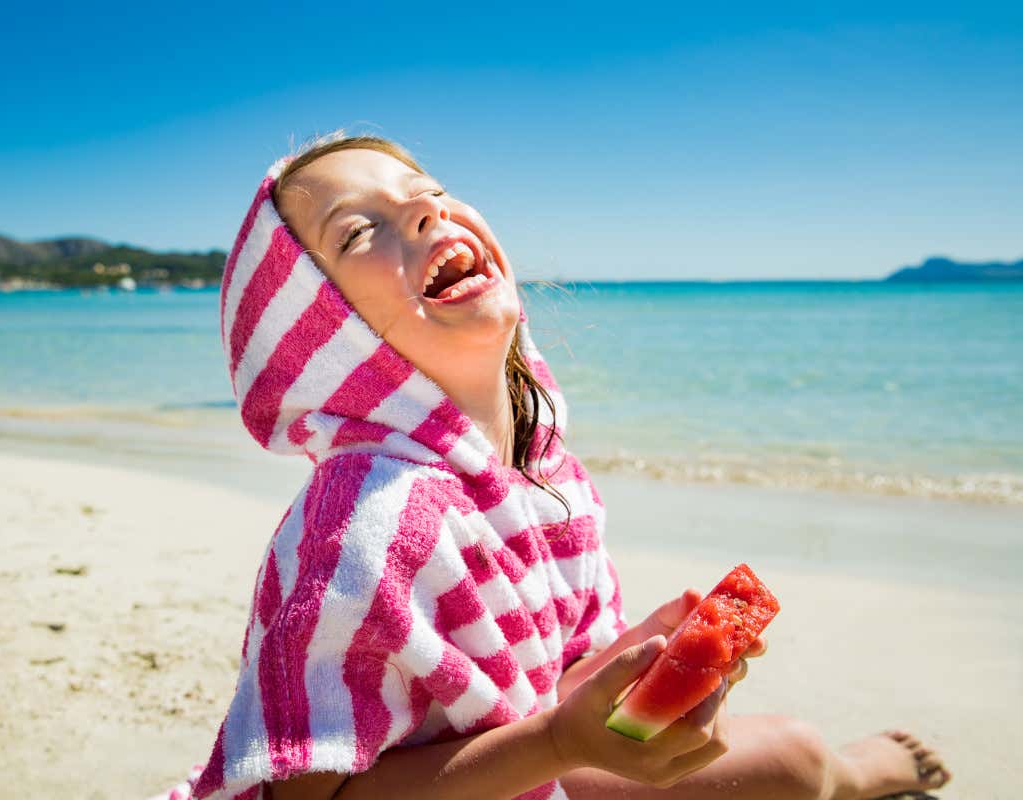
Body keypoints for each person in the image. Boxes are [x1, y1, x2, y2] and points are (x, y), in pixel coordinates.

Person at [154, 131, 951, 800]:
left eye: (425, 189)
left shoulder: (546, 474)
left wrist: (637, 663)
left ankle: (838, 772)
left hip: (524, 768)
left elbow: (551, 684)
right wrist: (555, 744)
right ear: (326, 331)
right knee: (799, 761)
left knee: (784, 752)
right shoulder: (363, 527)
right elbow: (305, 797)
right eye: (358, 232)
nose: (424, 209)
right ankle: (858, 776)